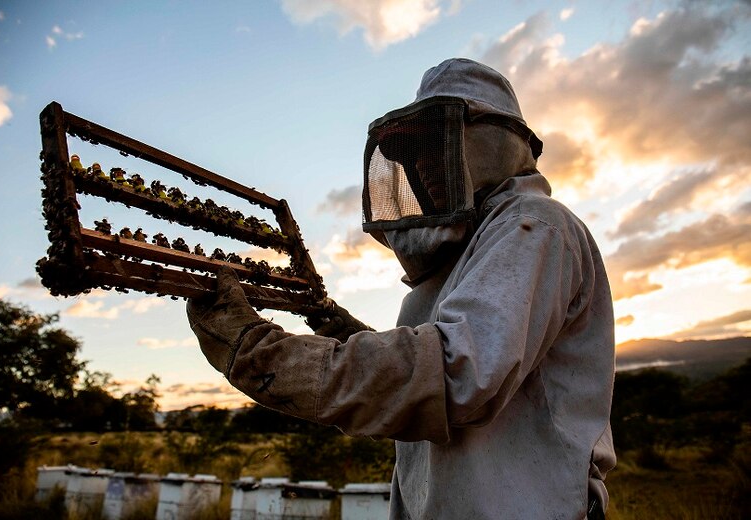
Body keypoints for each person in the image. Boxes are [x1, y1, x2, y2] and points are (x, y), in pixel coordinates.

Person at [188, 58, 616, 519]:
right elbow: (435, 372)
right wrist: (347, 334)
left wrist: (259, 352)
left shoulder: (533, 225)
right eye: (413, 158)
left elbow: (456, 375)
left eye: (437, 148)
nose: (423, 169)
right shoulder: (470, 251)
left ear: (490, 141)